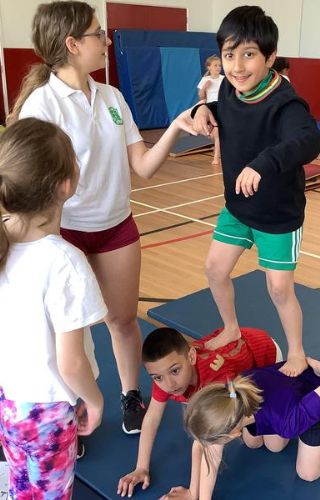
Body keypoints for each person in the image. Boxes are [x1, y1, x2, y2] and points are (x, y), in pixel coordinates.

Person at [8, 1, 194, 434]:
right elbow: (35, 178)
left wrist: (176, 127)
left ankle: (130, 395)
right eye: (97, 33)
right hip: (63, 232)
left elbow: (143, 166)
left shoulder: (112, 98)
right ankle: (69, 412)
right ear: (72, 44)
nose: (106, 40)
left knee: (122, 320)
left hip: (115, 227)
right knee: (68, 336)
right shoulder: (44, 104)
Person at [191, 6, 320, 377]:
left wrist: (262, 164)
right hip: (238, 208)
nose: (237, 67)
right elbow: (224, 109)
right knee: (215, 270)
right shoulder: (231, 92)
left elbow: (308, 140)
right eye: (229, 56)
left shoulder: (286, 102)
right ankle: (232, 329)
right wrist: (203, 107)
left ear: (270, 57)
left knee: (279, 289)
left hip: (278, 215)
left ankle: (296, 352)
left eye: (249, 55)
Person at [0, 118, 107, 499]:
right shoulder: (64, 261)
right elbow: (71, 363)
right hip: (46, 412)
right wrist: (95, 401)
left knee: (20, 483)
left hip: (9, 402)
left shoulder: (6, 244)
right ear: (66, 184)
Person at [117, 326, 281, 497]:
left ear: (191, 357)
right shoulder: (165, 376)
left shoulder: (214, 381)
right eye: (158, 377)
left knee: (273, 446)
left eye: (175, 371)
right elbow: (152, 419)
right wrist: (141, 467)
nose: (169, 384)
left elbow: (210, 443)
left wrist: (193, 493)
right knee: (252, 441)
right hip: (236, 375)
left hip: (265, 355)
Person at [162, 358, 320, 499]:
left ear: (234, 433)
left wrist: (314, 364)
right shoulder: (230, 398)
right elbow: (203, 448)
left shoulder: (288, 422)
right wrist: (192, 493)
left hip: (316, 392)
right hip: (283, 393)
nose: (205, 445)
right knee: (264, 445)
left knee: (308, 474)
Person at [197, 55, 224, 166]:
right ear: (209, 67)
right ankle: (218, 148)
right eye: (215, 65)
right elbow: (201, 97)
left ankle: (216, 158)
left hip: (221, 106)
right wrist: (204, 88)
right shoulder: (205, 80)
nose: (218, 68)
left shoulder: (223, 79)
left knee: (217, 133)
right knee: (212, 135)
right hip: (210, 108)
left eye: (219, 65)